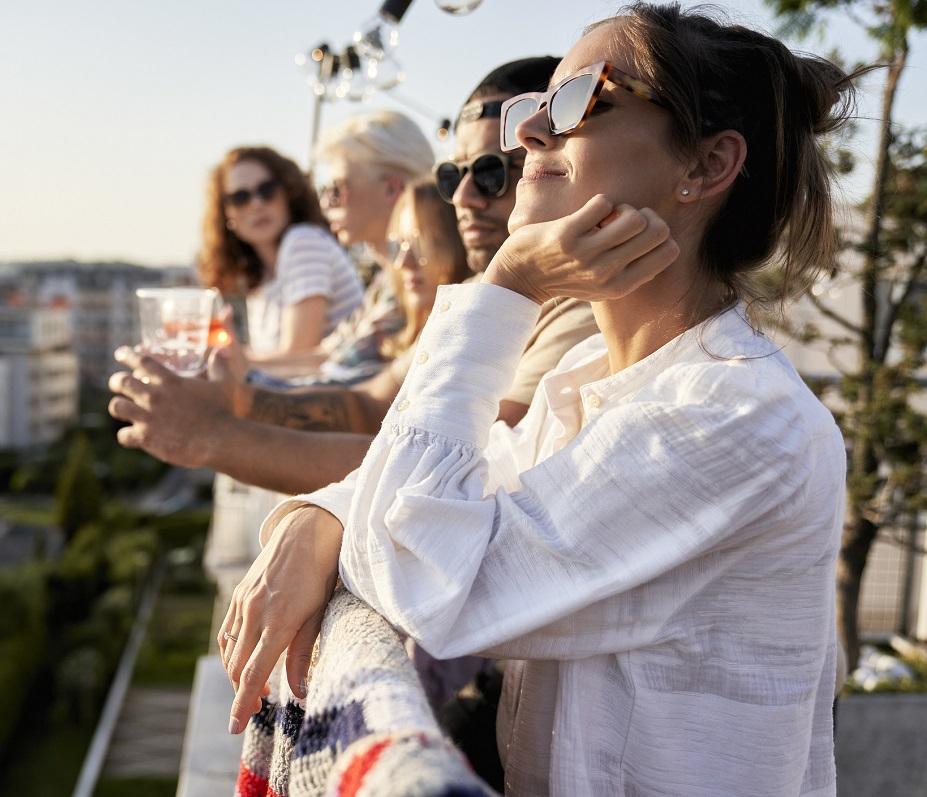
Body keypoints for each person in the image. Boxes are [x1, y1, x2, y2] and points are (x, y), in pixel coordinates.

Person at [220, 4, 861, 795]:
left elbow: (421, 577)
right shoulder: (588, 379)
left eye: (579, 100)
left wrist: (509, 283)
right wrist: (318, 517)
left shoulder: (739, 415)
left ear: (703, 167)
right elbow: (419, 505)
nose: (526, 135)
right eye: (533, 105)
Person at [108, 57, 595, 497]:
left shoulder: (579, 304)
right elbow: (370, 404)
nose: (463, 197)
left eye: (493, 170)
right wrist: (231, 397)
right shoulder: (477, 296)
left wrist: (214, 435)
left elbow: (466, 476)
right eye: (453, 175)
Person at [200, 146, 364, 363]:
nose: (256, 204)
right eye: (240, 198)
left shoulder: (304, 241)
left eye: (267, 190)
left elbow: (297, 357)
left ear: (288, 192)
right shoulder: (260, 277)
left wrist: (216, 358)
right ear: (226, 214)